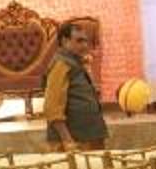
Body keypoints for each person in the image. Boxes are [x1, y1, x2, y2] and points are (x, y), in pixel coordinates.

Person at [40, 19, 109, 150]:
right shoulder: (61, 65)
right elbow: (53, 107)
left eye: (86, 41)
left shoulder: (75, 63)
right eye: (79, 41)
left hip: (88, 137)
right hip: (75, 143)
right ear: (65, 41)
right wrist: (68, 141)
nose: (85, 46)